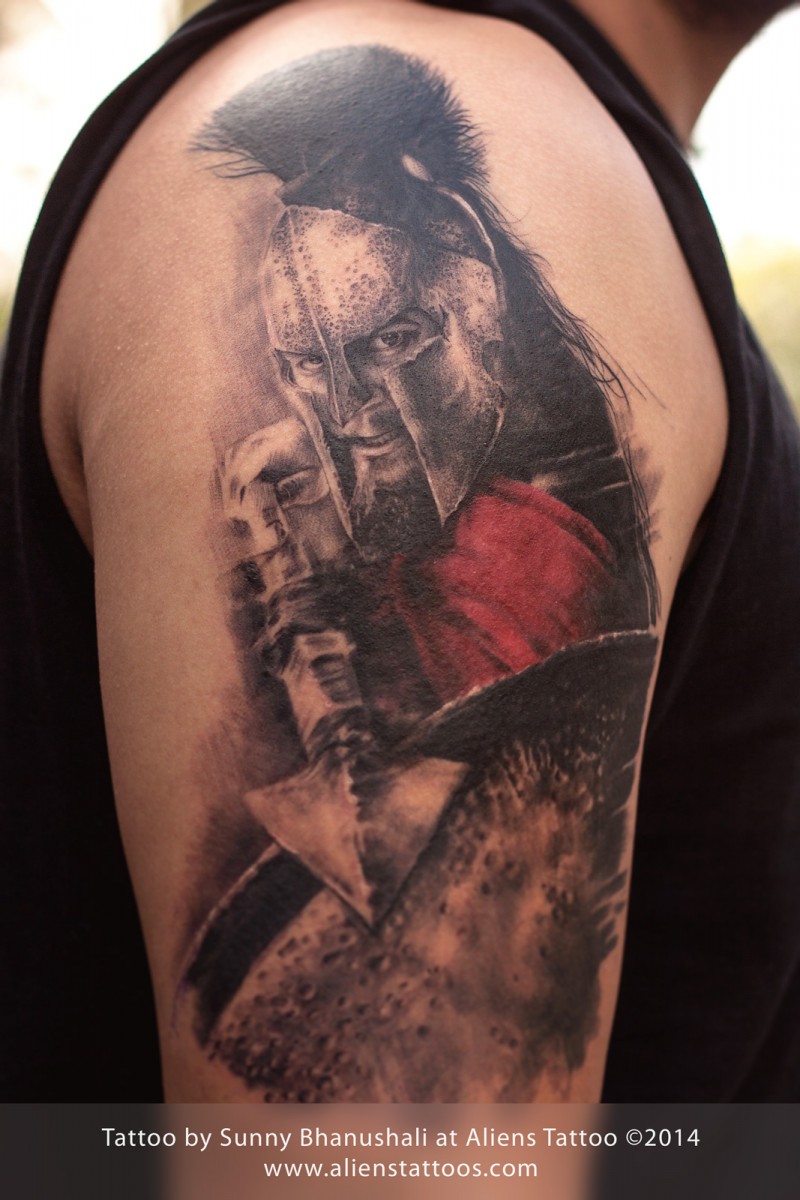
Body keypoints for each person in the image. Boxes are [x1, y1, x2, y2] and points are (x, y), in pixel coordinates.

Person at [1, 0, 798, 1102]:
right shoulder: (468, 105)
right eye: (311, 365)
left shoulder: (572, 158)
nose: (347, 415)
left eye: (396, 339)